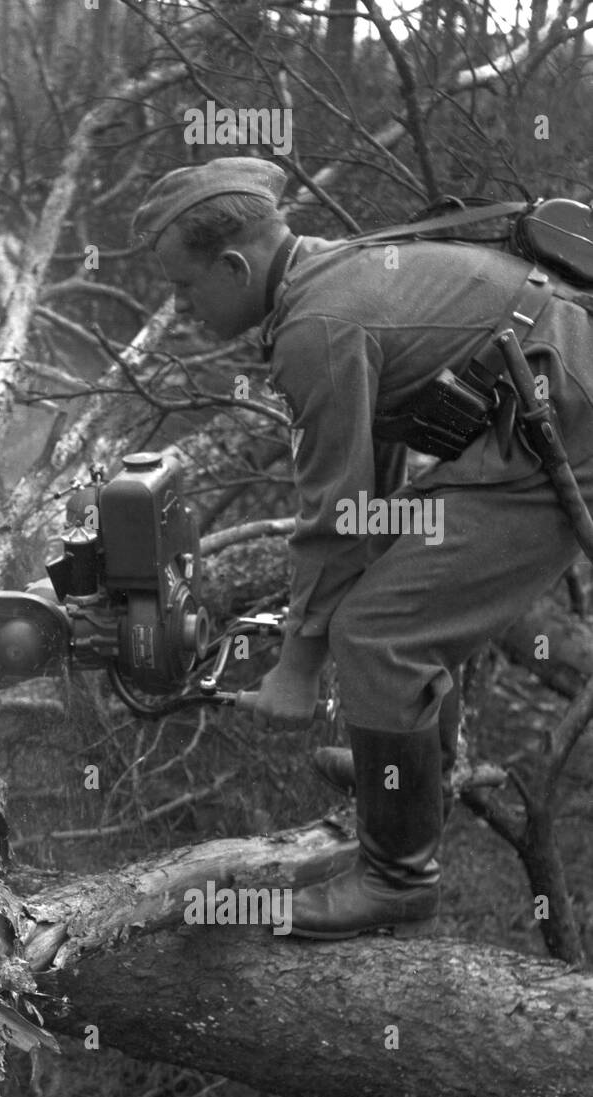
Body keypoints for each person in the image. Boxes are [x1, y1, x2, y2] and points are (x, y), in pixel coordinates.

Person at [132, 156, 593, 939]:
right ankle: (415, 777)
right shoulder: (326, 275)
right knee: (399, 583)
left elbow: (331, 511)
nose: (182, 309)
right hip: (545, 414)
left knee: (381, 631)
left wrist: (298, 671)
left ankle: (396, 878)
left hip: (568, 433)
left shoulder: (316, 325)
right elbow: (365, 499)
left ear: (237, 265)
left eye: (187, 288)